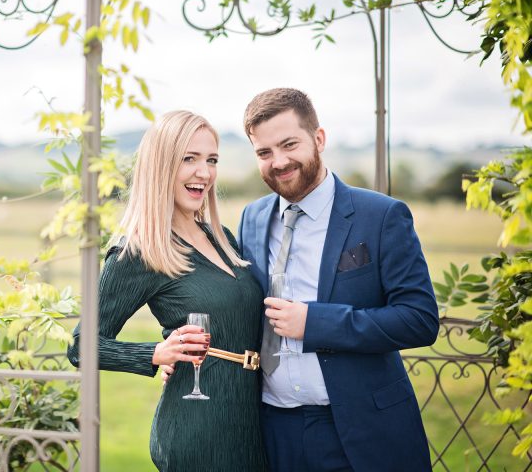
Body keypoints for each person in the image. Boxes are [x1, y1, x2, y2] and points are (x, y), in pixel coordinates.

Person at [238, 88, 439, 472]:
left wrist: (316, 323)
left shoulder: (381, 216)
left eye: (289, 144)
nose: (278, 162)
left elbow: (419, 319)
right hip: (271, 431)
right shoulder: (253, 218)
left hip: (360, 432)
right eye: (264, 152)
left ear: (319, 139)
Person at [67, 110, 268, 471]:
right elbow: (82, 345)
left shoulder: (222, 239)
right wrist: (157, 353)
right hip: (198, 430)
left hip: (253, 421)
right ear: (161, 166)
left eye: (211, 160)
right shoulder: (139, 250)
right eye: (188, 159)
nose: (203, 173)